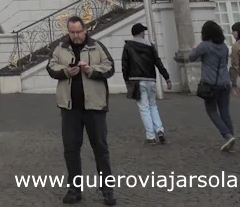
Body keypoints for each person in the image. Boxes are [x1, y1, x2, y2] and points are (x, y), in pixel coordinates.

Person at [47, 16, 117, 206]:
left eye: (79, 31)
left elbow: (110, 68)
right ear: (68, 31)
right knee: (71, 150)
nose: (76, 35)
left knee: (101, 149)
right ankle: (74, 190)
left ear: (85, 30)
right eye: (72, 32)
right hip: (70, 109)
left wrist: (91, 70)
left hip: (94, 108)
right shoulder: (60, 48)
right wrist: (65, 71)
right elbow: (51, 67)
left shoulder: (97, 46)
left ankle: (107, 190)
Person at [121, 22, 172, 144]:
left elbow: (125, 65)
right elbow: (158, 63)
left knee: (144, 108)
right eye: (143, 32)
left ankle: (150, 136)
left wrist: (126, 80)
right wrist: (167, 78)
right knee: (153, 105)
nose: (144, 34)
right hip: (151, 80)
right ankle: (159, 130)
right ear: (140, 33)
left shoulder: (128, 46)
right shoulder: (150, 46)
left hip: (137, 80)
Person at [189, 20, 234, 150]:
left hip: (211, 83)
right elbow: (225, 63)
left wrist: (194, 47)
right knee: (225, 111)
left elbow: (192, 57)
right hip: (225, 82)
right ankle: (231, 136)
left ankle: (227, 135)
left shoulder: (204, 46)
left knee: (211, 110)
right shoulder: (224, 47)